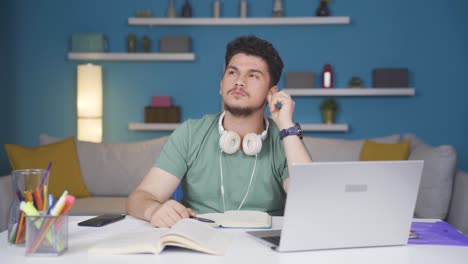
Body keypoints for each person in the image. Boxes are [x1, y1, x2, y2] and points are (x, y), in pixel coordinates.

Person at [127, 35, 312, 227]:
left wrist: (287, 127)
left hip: (264, 244)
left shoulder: (284, 139)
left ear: (271, 94)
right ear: (221, 85)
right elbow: (140, 197)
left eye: (253, 75)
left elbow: (311, 202)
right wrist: (155, 210)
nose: (239, 81)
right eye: (232, 73)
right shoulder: (190, 133)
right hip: (198, 238)